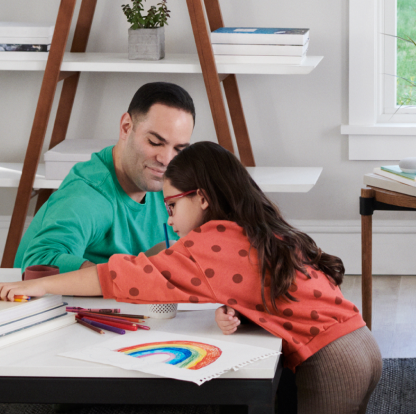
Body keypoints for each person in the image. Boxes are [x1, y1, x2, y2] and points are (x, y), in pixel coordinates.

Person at [1, 141, 381, 414]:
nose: (168, 219)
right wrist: (239, 312)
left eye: (171, 206)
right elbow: (273, 293)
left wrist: (40, 283)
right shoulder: (253, 228)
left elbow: (121, 277)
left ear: (201, 198)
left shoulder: (210, 241)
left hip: (331, 363)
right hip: (360, 343)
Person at [16, 81, 195, 274]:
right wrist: (116, 277)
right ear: (126, 127)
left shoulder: (173, 184)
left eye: (179, 149)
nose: (166, 160)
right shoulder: (89, 194)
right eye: (155, 142)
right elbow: (39, 261)